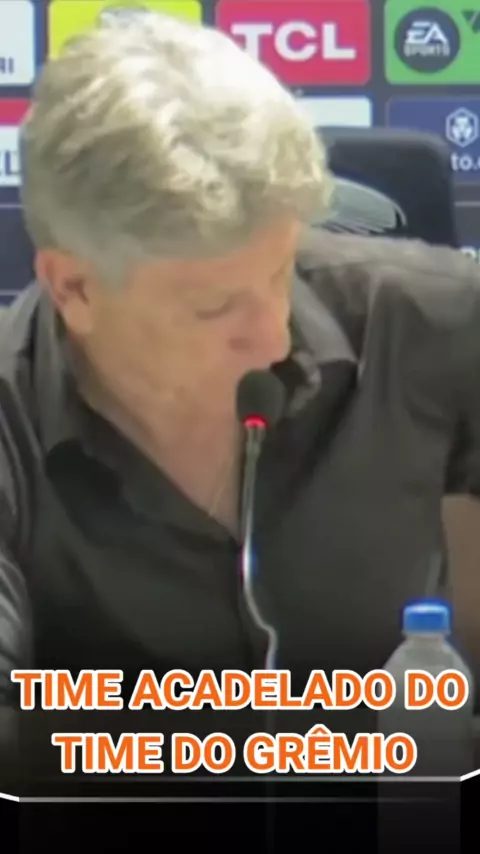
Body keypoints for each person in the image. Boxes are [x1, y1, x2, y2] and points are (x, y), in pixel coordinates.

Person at [0, 11, 479, 717]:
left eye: (281, 270)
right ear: (75, 287)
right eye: (215, 307)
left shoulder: (423, 317)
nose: (273, 340)